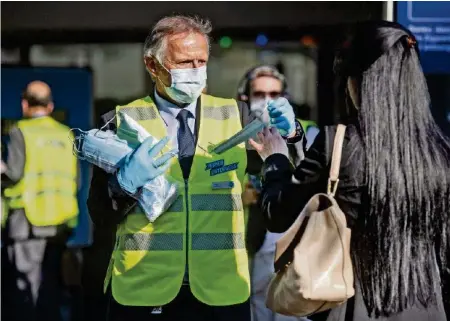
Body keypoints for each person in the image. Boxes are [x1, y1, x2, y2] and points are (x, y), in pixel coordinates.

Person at [87, 15, 304, 321]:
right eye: (184, 62)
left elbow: (293, 174)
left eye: (201, 61)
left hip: (221, 291)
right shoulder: (120, 123)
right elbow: (99, 213)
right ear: (153, 66)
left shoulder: (236, 116)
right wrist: (124, 184)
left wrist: (293, 133)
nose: (196, 71)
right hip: (144, 290)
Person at [249, 21, 450, 321]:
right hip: (428, 310)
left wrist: (275, 159)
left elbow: (277, 214)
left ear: (358, 82)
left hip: (352, 308)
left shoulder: (339, 143)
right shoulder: (440, 152)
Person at [1, 81, 81, 321]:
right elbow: (76, 181)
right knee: (51, 288)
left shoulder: (20, 132)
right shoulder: (66, 134)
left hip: (28, 222)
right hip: (60, 223)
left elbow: (14, 174)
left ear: (24, 104)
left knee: (26, 289)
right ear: (50, 106)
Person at [237, 65, 311, 321]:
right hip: (247, 242)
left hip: (291, 242)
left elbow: (314, 179)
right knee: (253, 307)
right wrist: (237, 197)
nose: (267, 100)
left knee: (290, 309)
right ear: (244, 98)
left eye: (274, 93)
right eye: (259, 94)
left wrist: (293, 134)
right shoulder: (231, 138)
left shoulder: (306, 132)